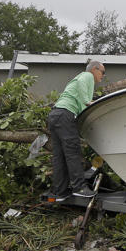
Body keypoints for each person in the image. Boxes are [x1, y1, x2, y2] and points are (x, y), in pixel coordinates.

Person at [45, 60, 105, 202]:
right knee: (73, 152)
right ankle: (79, 188)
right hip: (65, 114)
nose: (103, 75)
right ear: (94, 69)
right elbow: (82, 86)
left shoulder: (78, 77)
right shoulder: (87, 76)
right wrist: (87, 101)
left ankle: (60, 192)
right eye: (102, 72)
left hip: (55, 115)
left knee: (59, 156)